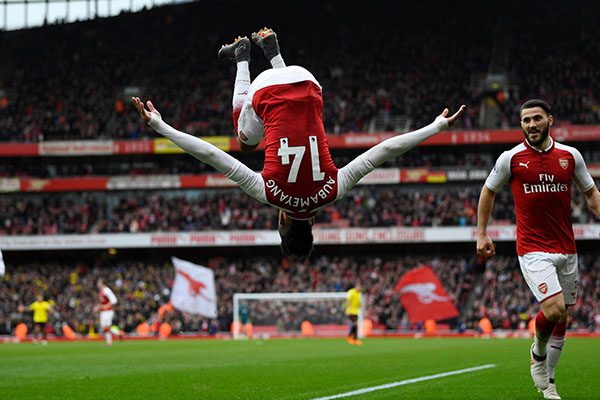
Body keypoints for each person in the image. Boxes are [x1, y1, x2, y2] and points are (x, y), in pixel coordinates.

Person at [132, 28, 465, 259]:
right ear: (282, 221)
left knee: (291, 114)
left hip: (308, 82)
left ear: (313, 224)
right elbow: (210, 154)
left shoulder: (334, 189)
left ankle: (273, 52)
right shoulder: (268, 192)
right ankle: (243, 56)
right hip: (266, 87)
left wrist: (435, 126)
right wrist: (160, 126)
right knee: (244, 143)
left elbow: (385, 150)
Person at [476, 99, 600, 400]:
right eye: (526, 120)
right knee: (554, 309)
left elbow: (591, 194)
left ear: (549, 120)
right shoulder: (511, 158)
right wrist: (481, 233)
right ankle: (538, 353)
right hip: (532, 248)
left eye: (536, 118)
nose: (531, 124)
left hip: (566, 247)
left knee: (562, 316)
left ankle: (550, 384)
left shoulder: (570, 156)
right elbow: (488, 191)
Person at [94, 279, 118, 346]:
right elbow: (102, 302)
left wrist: (106, 306)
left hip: (108, 311)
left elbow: (114, 300)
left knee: (106, 327)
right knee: (104, 327)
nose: (97, 284)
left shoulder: (107, 290)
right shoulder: (101, 291)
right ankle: (109, 342)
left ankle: (118, 334)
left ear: (102, 283)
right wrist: (97, 307)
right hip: (103, 312)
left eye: (99, 283)